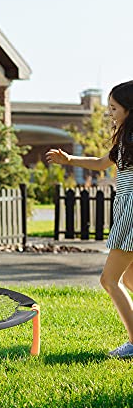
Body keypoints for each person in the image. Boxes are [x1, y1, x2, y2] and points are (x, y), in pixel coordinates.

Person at [46, 80, 133, 358]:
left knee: (109, 280)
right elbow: (99, 163)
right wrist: (69, 159)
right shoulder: (124, 142)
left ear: (130, 110)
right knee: (129, 279)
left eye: (114, 108)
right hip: (126, 208)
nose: (110, 113)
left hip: (131, 212)